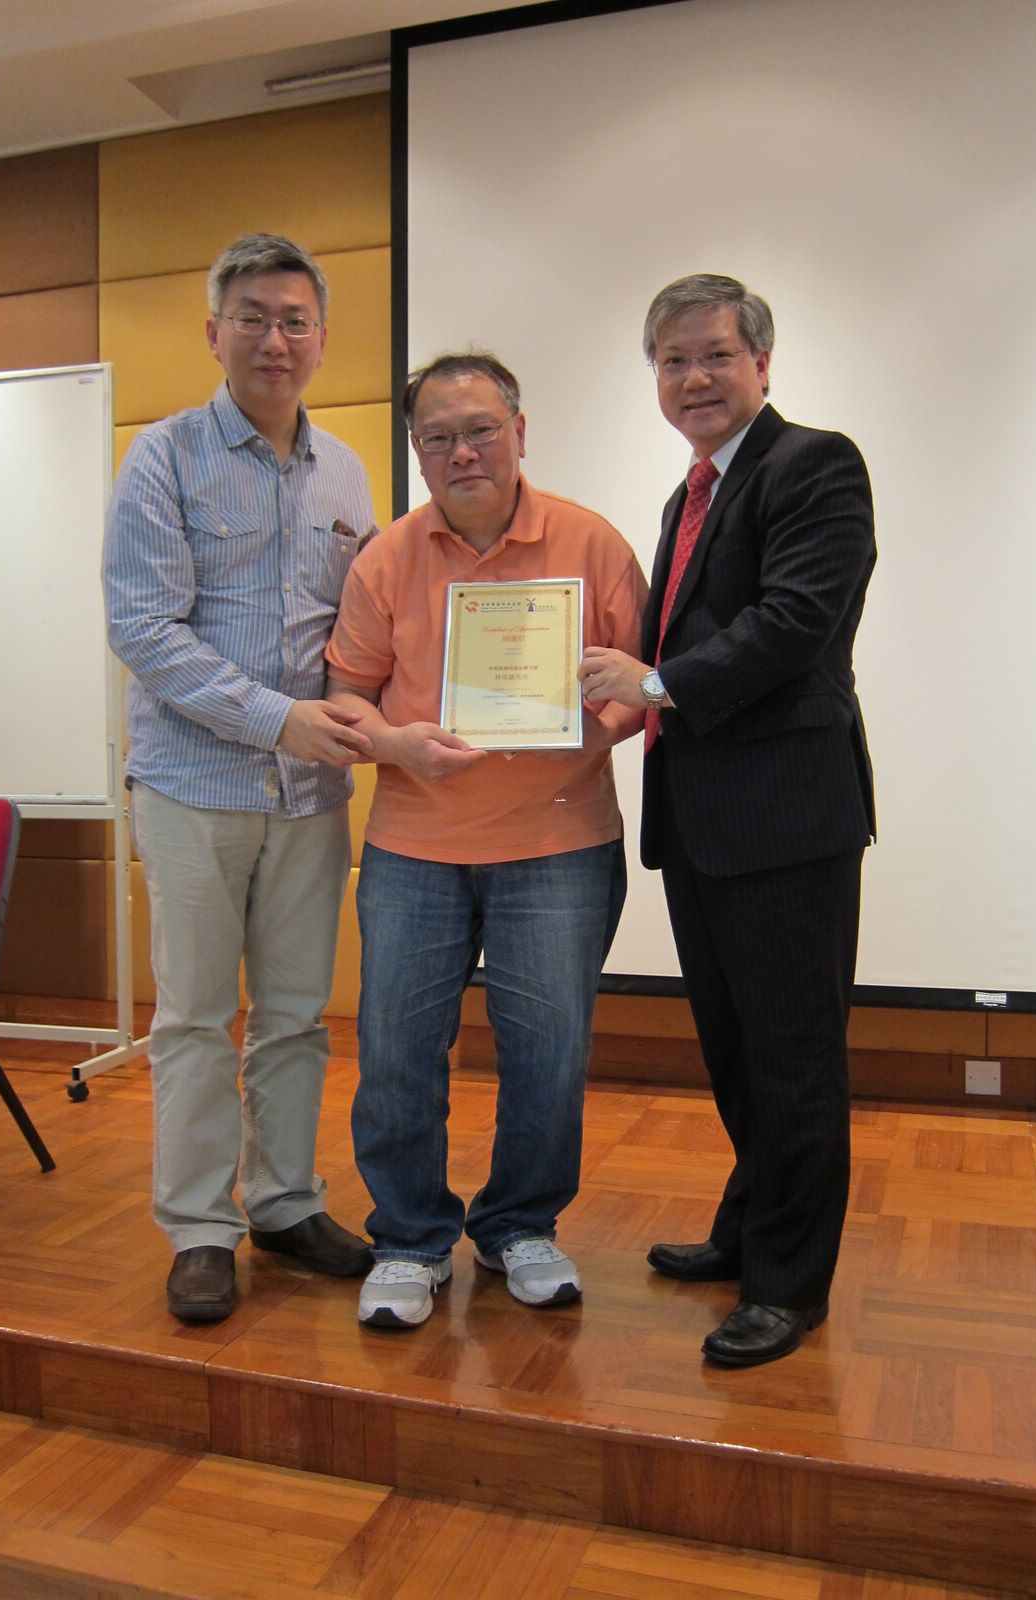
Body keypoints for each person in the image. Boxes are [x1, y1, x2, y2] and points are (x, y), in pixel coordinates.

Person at [578, 273, 876, 1367]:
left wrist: (654, 684)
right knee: (738, 1049)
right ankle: (751, 1229)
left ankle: (789, 1287)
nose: (693, 377)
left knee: (795, 1058)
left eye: (714, 354)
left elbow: (794, 623)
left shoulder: (815, 464)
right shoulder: (690, 493)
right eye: (672, 361)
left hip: (787, 819)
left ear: (762, 362)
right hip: (705, 819)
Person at [325, 352, 647, 1329]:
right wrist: (394, 746)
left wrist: (596, 724)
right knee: (396, 1051)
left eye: (480, 430)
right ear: (417, 451)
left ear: (519, 432)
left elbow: (645, 680)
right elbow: (347, 693)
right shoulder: (386, 559)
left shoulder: (590, 542)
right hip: (413, 846)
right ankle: (411, 1237)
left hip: (558, 841)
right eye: (438, 437)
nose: (461, 451)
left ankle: (520, 1225)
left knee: (548, 1052)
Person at [103, 232, 376, 1323]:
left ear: (322, 338)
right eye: (253, 318)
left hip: (310, 798)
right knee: (195, 1016)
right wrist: (280, 721)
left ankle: (284, 1202)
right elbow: (144, 628)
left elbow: (360, 628)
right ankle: (200, 1228)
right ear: (213, 332)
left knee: (299, 1015)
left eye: (295, 320)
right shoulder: (163, 457)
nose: (275, 339)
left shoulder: (346, 470)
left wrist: (368, 720)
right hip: (192, 788)